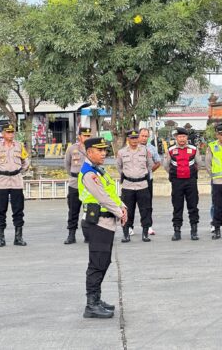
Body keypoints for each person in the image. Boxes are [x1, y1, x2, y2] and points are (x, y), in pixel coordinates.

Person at [79, 137, 127, 318]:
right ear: (89, 152)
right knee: (97, 263)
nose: (103, 153)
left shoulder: (98, 170)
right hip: (97, 222)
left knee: (103, 262)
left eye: (104, 150)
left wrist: (122, 206)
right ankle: (91, 304)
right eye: (99, 150)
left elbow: (111, 193)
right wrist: (120, 212)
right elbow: (102, 198)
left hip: (105, 222)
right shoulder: (88, 173)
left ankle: (96, 299)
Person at [0, 123, 30, 247]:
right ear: (3, 134)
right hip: (2, 182)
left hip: (16, 181)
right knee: (0, 210)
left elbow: (26, 162)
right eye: (8, 132)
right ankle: (0, 238)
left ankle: (18, 237)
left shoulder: (19, 146)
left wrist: (20, 171)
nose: (10, 134)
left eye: (12, 132)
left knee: (18, 210)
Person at [163, 127, 200, 241]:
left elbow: (199, 164)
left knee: (193, 206)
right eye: (179, 137)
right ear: (176, 138)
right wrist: (175, 174)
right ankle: (177, 231)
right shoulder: (171, 150)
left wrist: (191, 173)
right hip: (177, 182)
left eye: (184, 136)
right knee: (177, 207)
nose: (182, 139)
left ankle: (194, 231)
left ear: (187, 137)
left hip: (191, 181)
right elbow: (166, 165)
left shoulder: (194, 149)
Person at [117, 129, 153, 243]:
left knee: (145, 210)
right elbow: (119, 167)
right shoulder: (121, 152)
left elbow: (150, 165)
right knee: (127, 211)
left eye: (136, 138)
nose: (134, 140)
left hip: (142, 185)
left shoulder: (145, 151)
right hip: (128, 185)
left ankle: (145, 234)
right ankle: (126, 234)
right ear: (128, 139)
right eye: (131, 138)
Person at [63, 127, 92, 245]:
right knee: (73, 210)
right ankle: (71, 234)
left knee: (91, 210)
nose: (87, 138)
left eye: (89, 136)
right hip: (75, 183)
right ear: (79, 136)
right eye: (85, 135)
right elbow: (67, 165)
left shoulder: (92, 148)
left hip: (89, 184)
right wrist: (76, 176)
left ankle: (89, 235)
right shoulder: (71, 149)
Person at [138, 128, 162, 236]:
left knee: (147, 204)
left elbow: (158, 162)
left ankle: (148, 226)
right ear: (138, 136)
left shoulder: (152, 148)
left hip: (147, 179)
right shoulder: (132, 148)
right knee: (131, 204)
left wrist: (150, 171)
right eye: (142, 136)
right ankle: (129, 227)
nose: (144, 138)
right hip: (132, 180)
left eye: (146, 136)